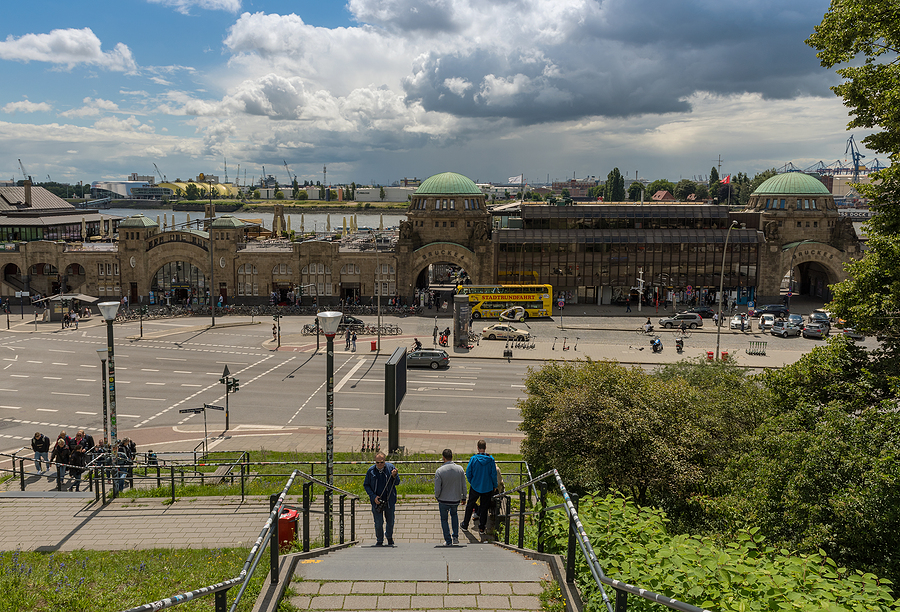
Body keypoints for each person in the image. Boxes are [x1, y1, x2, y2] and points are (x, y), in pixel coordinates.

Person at [363, 452, 400, 546]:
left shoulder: (391, 468)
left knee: (390, 521)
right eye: (377, 462)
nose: (380, 464)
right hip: (377, 501)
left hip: (389, 500)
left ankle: (389, 537)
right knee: (378, 523)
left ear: (385, 461)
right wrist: (373, 496)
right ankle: (379, 540)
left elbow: (397, 482)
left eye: (382, 462)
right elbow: (366, 485)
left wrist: (394, 476)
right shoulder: (371, 471)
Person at [461, 439, 497, 535]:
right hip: (487, 487)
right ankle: (482, 528)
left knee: (470, 505)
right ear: (485, 448)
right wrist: (495, 485)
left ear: (477, 448)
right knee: (484, 508)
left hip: (476, 486)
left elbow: (468, 473)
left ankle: (465, 524)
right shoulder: (490, 460)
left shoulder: (473, 459)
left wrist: (472, 482)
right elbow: (494, 474)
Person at [434, 448, 466, 546]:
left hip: (443, 499)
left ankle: (448, 540)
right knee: (454, 516)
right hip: (455, 499)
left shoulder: (439, 471)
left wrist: (437, 496)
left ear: (443, 458)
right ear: (452, 457)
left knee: (444, 519)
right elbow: (463, 485)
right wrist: (464, 497)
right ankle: (455, 537)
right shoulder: (460, 469)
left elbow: (437, 488)